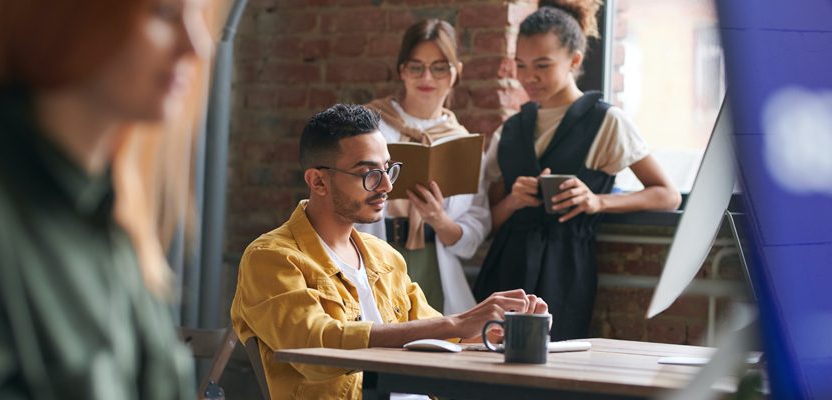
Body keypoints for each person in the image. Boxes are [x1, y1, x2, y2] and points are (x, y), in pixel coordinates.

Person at [230, 104, 547, 400]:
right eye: (369, 174)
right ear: (318, 181)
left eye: (388, 169)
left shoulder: (385, 257)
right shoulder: (272, 258)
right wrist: (456, 323)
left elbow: (448, 344)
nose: (386, 186)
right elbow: (314, 347)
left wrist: (503, 329)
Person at [0, 0, 210, 398]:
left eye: (198, 17)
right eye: (164, 14)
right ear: (66, 15)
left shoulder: (118, 224)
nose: (197, 45)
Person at [472, 2, 682, 342]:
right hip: (505, 269)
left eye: (542, 65)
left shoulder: (607, 121)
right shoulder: (509, 129)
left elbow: (667, 195)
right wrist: (513, 201)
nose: (529, 78)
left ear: (575, 61)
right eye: (521, 65)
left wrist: (598, 202)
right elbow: (487, 222)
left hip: (565, 269)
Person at [360, 19, 490, 315]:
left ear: (456, 72)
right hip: (374, 254)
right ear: (402, 70)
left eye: (439, 66)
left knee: (431, 350)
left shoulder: (463, 143)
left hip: (433, 262)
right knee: (374, 351)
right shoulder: (368, 124)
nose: (427, 76)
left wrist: (440, 220)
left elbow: (476, 228)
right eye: (416, 66)